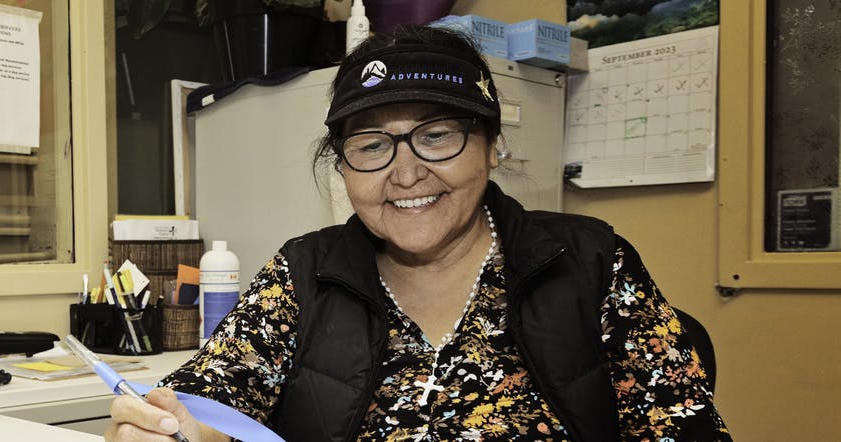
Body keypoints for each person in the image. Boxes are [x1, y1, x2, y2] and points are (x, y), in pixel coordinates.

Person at [105, 25, 729, 442]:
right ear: (342, 169)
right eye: (372, 145)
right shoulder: (301, 273)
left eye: (436, 136)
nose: (406, 173)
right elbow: (212, 396)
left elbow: (683, 426)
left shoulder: (590, 262)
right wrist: (164, 423)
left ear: (492, 147)